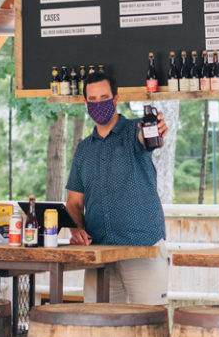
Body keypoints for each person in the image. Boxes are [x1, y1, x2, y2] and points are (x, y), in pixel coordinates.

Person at [65, 71, 169, 305]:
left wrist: (156, 131)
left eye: (104, 98)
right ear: (85, 103)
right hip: (99, 254)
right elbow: (73, 203)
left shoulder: (135, 131)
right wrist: (76, 230)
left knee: (150, 328)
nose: (98, 104)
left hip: (143, 249)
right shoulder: (83, 150)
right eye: (92, 100)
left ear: (115, 99)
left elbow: (150, 138)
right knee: (99, 329)